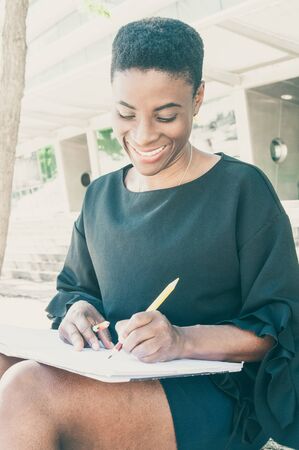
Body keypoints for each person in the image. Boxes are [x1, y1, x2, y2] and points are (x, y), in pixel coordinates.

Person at [0, 17, 298, 450]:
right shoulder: (100, 196)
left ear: (197, 99)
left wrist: (181, 339)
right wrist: (78, 310)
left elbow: (276, 329)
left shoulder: (241, 189)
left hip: (215, 392)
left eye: (166, 115)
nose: (142, 135)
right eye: (125, 113)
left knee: (28, 390)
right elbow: (73, 290)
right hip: (115, 370)